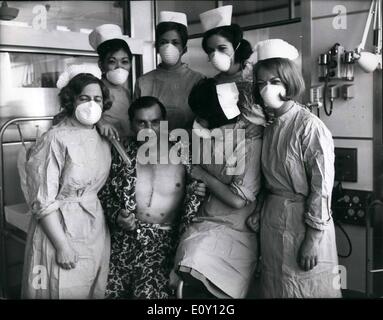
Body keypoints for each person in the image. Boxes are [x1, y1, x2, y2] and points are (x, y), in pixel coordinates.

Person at [251, 39, 342, 298]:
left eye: (274, 81)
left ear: (289, 82)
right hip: (273, 221)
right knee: (276, 287)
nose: (266, 89)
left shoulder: (309, 126)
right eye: (261, 83)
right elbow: (269, 181)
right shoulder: (270, 127)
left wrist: (312, 241)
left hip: (304, 226)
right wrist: (259, 211)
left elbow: (321, 189)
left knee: (305, 289)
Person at [98, 96, 206, 299]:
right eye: (141, 123)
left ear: (164, 123)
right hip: (124, 244)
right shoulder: (120, 154)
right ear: (131, 124)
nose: (149, 129)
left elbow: (200, 192)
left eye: (155, 122)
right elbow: (104, 195)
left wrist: (199, 191)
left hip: (163, 247)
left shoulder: (183, 153)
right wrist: (117, 216)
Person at [21, 69, 113, 299]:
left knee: (89, 287)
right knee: (54, 287)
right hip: (58, 227)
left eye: (97, 99)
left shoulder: (102, 137)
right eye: (84, 98)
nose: (91, 104)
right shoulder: (54, 138)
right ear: (71, 100)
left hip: (93, 225)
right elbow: (42, 198)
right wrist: (61, 245)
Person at [172, 78, 262, 299]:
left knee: (207, 273)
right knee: (188, 266)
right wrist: (198, 184)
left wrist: (203, 176)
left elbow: (237, 200)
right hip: (206, 220)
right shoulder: (211, 136)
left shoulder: (250, 144)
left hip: (237, 229)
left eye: (203, 118)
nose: (199, 122)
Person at [199, 5, 266, 137]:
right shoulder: (213, 84)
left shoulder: (256, 76)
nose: (215, 55)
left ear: (236, 46)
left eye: (222, 48)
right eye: (211, 51)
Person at [134, 11, 204, 131]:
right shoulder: (143, 82)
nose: (168, 47)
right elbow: (136, 122)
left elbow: (203, 122)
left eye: (175, 43)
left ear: (184, 49)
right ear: (157, 48)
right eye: (163, 42)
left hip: (189, 146)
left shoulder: (198, 80)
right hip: (151, 145)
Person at [89, 24, 133, 139]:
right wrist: (101, 122)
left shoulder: (126, 92)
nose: (119, 67)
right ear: (101, 65)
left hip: (124, 148)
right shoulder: (93, 89)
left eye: (124, 62)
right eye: (112, 62)